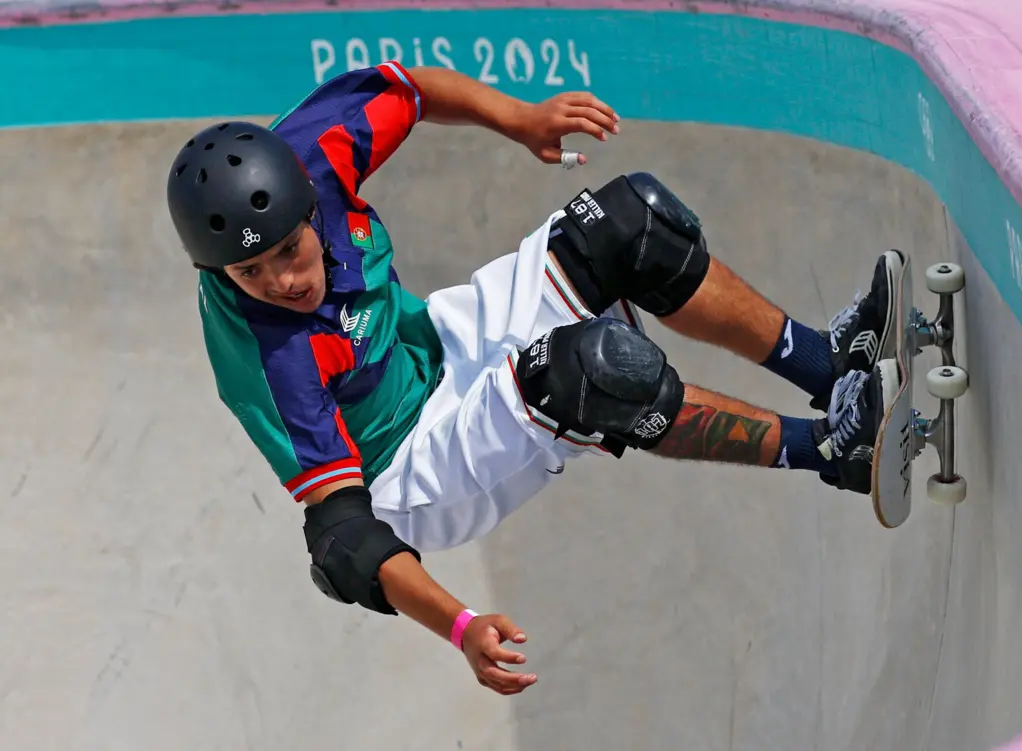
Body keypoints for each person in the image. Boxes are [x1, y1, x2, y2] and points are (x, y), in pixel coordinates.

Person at [166, 61, 902, 696]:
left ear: (306, 201)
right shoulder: (269, 359)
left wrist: (520, 118)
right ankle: (835, 449)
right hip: (413, 471)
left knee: (629, 222)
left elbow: (410, 87)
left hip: (433, 346)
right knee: (592, 371)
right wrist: (460, 625)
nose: (281, 281)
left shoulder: (313, 152)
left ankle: (826, 362)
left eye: (289, 251)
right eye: (248, 272)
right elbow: (345, 537)